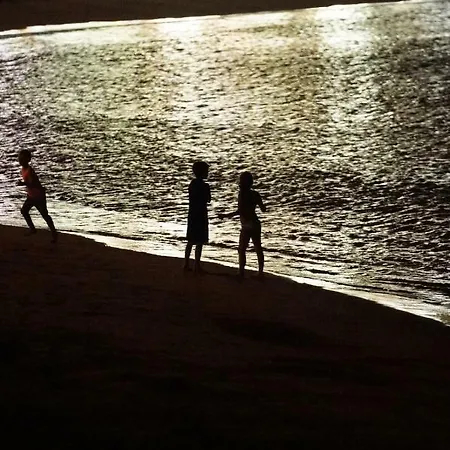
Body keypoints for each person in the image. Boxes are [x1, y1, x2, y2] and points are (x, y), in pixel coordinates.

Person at [219, 171, 266, 278]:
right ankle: (260, 272)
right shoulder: (255, 194)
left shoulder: (242, 194)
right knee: (258, 247)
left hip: (246, 224)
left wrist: (225, 215)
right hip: (255, 223)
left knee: (242, 249)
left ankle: (241, 271)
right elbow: (263, 209)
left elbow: (240, 211)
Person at [17, 149, 57, 243]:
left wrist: (23, 184)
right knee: (24, 211)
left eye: (22, 159)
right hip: (31, 196)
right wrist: (24, 183)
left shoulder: (30, 171)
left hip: (38, 196)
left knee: (44, 215)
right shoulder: (23, 170)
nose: (20, 161)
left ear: (28, 160)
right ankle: (32, 229)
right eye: (19, 159)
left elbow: (33, 184)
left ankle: (54, 233)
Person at [184, 161, 211, 273]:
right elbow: (208, 199)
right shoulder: (205, 186)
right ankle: (197, 265)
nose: (208, 173)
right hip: (201, 215)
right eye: (206, 171)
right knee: (200, 241)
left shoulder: (192, 184)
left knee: (190, 240)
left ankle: (186, 263)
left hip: (192, 214)